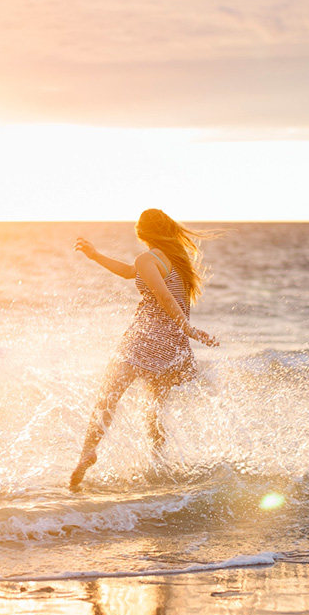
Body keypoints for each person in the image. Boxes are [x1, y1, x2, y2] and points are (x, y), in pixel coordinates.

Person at [70, 209, 218, 491]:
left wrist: (189, 328)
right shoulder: (176, 260)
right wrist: (95, 255)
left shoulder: (148, 258)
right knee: (154, 409)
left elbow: (162, 296)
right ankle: (158, 466)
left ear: (141, 231)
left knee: (108, 396)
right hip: (172, 346)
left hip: (145, 339)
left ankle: (87, 452)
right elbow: (129, 272)